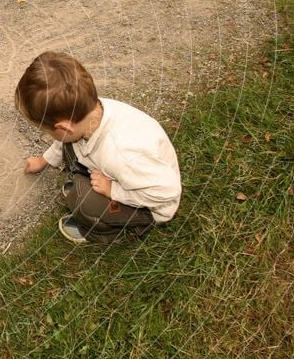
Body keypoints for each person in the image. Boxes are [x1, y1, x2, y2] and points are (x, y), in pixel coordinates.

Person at [15, 51, 182, 245]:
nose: (48, 134)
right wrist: (43, 161)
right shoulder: (85, 112)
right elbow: (63, 140)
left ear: (64, 127)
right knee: (69, 147)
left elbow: (166, 193)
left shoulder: (123, 153)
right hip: (120, 171)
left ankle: (109, 231)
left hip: (147, 204)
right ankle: (88, 188)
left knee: (85, 204)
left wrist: (113, 191)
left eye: (47, 130)